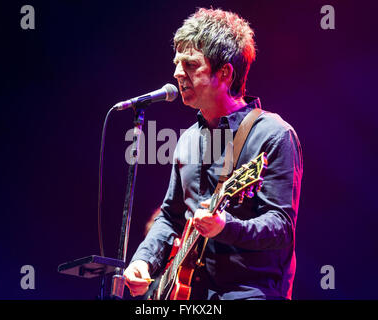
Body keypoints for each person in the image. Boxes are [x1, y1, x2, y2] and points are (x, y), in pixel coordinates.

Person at [124, 7, 303, 300]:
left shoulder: (273, 134)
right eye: (177, 62)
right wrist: (143, 261)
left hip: (249, 292)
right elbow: (171, 217)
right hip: (192, 292)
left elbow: (281, 228)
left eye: (191, 64)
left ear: (225, 73)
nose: (177, 72)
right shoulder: (188, 140)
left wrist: (224, 227)